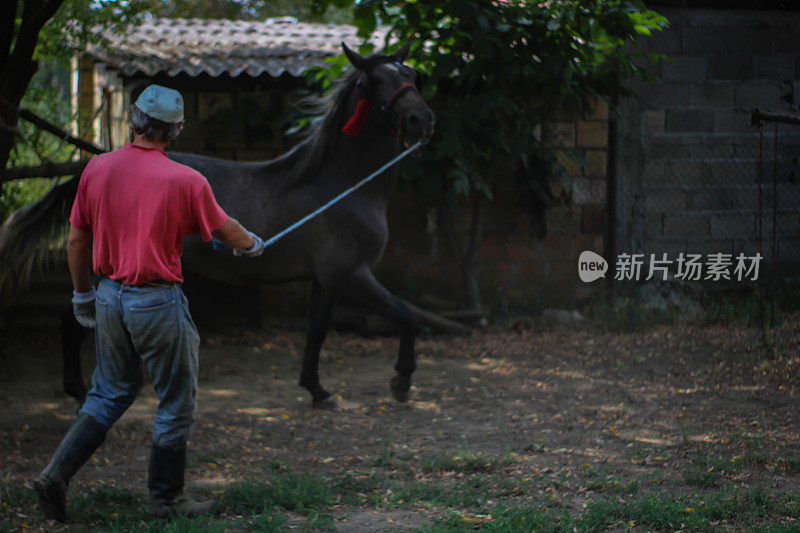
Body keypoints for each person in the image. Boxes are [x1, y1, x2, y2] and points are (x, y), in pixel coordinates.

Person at [33, 84, 264, 522]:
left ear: (135, 121)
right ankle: (167, 499)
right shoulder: (186, 180)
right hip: (156, 302)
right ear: (175, 130)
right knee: (176, 400)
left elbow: (77, 239)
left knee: (107, 393)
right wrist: (253, 244)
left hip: (108, 297)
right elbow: (227, 228)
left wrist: (83, 294)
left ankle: (55, 476)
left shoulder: (97, 169)